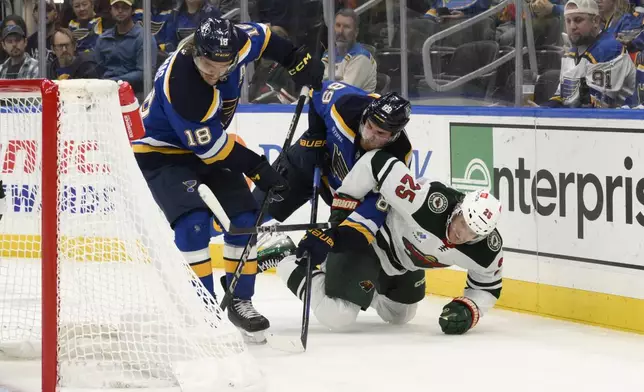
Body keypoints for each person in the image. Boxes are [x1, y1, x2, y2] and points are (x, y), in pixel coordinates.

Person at [132, 17, 323, 340]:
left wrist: (295, 58)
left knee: (246, 219)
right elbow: (213, 151)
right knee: (192, 224)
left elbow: (264, 37)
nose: (216, 74)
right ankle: (201, 308)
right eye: (208, 64)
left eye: (224, 66)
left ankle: (239, 299)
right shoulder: (182, 86)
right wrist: (259, 167)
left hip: (210, 145)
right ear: (195, 53)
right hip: (161, 154)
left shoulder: (236, 44)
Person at [275, 149, 504, 334]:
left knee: (400, 315)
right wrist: (344, 206)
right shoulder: (426, 201)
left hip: (401, 264)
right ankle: (286, 258)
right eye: (462, 222)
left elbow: (487, 286)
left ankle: (350, 282)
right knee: (338, 316)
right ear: (459, 208)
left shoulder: (487, 250)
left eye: (471, 233)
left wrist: (469, 308)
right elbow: (377, 163)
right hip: (368, 245)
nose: (460, 234)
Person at [253, 81, 413, 253]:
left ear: (394, 135)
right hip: (309, 160)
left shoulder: (398, 158)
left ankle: (284, 252)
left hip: (344, 193)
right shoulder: (347, 107)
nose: (369, 137)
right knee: (254, 210)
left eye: (380, 133)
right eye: (369, 126)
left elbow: (376, 206)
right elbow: (317, 89)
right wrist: (316, 134)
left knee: (341, 246)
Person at [542, 0, 636, 108]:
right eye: (568, 21)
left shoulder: (609, 50)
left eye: (578, 20)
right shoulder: (571, 54)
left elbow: (593, 106)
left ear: (596, 21)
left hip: (626, 120)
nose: (572, 26)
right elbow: (563, 98)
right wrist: (542, 110)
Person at [94, 0, 156, 94]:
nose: (120, 11)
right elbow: (98, 68)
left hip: (135, 94)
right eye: (116, 7)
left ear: (132, 10)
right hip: (106, 92)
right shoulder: (103, 39)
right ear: (110, 10)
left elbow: (144, 73)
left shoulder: (144, 38)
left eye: (125, 7)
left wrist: (114, 81)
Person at [322, 9, 377, 93]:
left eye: (346, 27)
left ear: (356, 32)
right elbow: (312, 84)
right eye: (338, 25)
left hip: (353, 105)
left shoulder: (361, 57)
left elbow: (343, 94)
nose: (340, 31)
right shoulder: (328, 55)